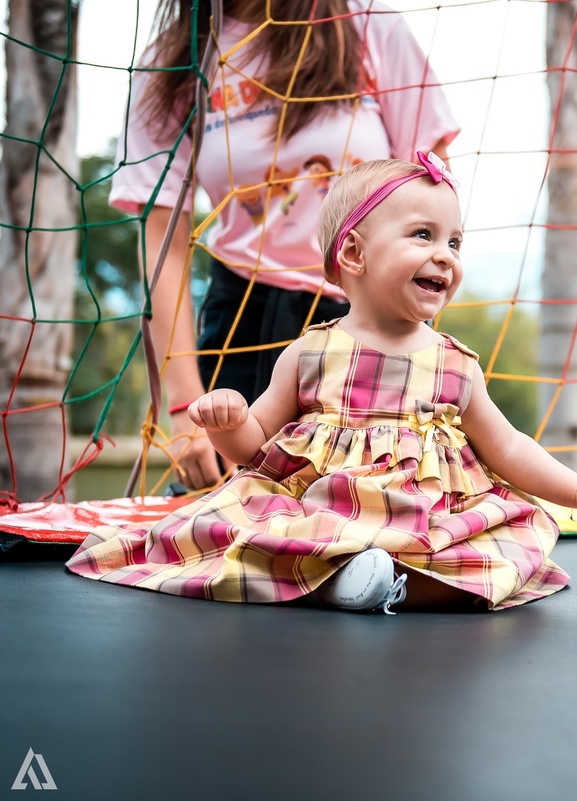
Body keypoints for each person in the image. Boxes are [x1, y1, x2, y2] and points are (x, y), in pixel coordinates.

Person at [67, 154, 577, 612]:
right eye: (423, 235)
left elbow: (508, 448)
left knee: (504, 553)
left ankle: (382, 586)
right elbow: (253, 448)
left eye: (454, 242)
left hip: (426, 525)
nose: (445, 256)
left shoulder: (455, 364)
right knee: (246, 539)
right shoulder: (310, 352)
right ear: (355, 253)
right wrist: (229, 422)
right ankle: (340, 580)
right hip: (324, 514)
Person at [113, 0, 460, 491]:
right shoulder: (176, 61)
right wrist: (183, 405)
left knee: (375, 492)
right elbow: (163, 242)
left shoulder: (364, 22)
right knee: (240, 498)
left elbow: (433, 186)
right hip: (243, 316)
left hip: (369, 312)